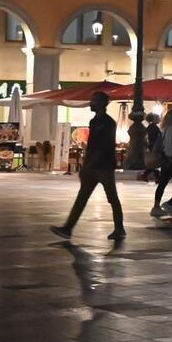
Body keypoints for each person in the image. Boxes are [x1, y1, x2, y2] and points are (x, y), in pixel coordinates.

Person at [54, 91, 126, 244]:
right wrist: (86, 163)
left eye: (94, 100)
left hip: (103, 166)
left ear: (102, 103)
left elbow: (104, 146)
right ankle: (68, 228)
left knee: (112, 198)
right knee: (82, 197)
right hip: (93, 166)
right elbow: (93, 144)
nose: (91, 103)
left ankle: (119, 228)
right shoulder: (94, 122)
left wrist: (89, 164)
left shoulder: (108, 123)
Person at [151, 107, 172, 216]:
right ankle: (158, 206)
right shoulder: (171, 129)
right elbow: (169, 145)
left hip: (170, 158)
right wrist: (169, 158)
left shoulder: (168, 128)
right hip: (171, 159)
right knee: (167, 182)